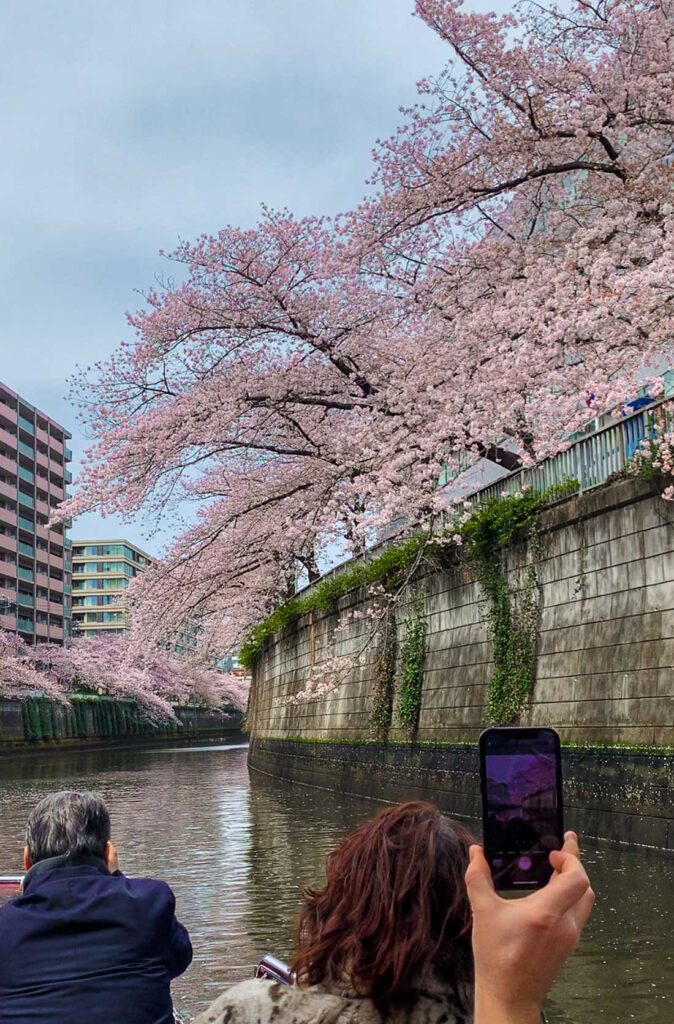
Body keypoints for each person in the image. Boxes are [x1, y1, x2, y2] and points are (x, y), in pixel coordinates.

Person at [193, 802, 594, 1024]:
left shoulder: (247, 1011)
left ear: (338, 906)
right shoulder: (500, 1012)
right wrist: (514, 1004)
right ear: (470, 920)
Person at [0, 790, 192, 1024]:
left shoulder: (4, 927)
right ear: (107, 853)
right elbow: (180, 958)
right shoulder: (149, 902)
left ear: (26, 860)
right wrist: (117, 878)